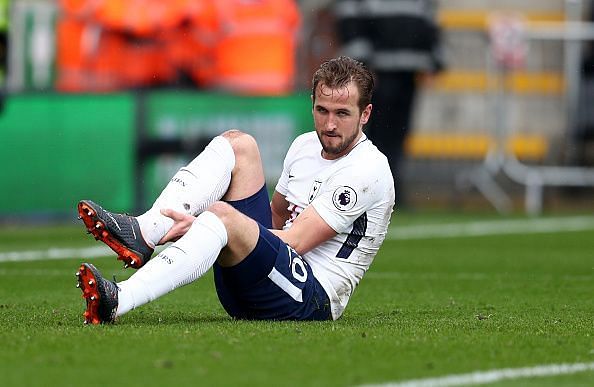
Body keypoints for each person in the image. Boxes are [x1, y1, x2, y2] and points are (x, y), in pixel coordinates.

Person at [75, 56, 395, 324]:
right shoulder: (304, 146)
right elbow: (273, 219)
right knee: (238, 144)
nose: (329, 125)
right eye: (322, 110)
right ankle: (145, 231)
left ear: (365, 114)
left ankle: (118, 299)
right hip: (262, 280)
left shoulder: (367, 170)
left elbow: (296, 241)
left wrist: (213, 224)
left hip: (309, 300)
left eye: (342, 114)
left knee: (222, 216)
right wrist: (217, 228)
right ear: (312, 103)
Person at [334, 0, 444, 206]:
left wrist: (434, 58)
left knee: (399, 133)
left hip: (410, 71)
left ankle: (391, 193)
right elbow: (349, 18)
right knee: (375, 135)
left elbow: (429, 19)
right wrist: (363, 65)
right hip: (378, 72)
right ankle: (366, 193)